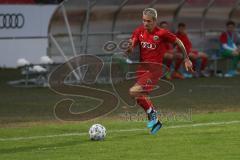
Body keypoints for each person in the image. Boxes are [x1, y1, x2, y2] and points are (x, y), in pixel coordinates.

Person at [126, 8, 193, 134]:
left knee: (133, 91)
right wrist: (129, 47)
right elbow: (133, 43)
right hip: (142, 69)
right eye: (144, 20)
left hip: (154, 70)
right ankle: (155, 121)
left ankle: (153, 114)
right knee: (140, 97)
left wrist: (187, 58)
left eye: (148, 21)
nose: (145, 23)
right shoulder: (139, 31)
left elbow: (178, 41)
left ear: (155, 21)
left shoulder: (162, 33)